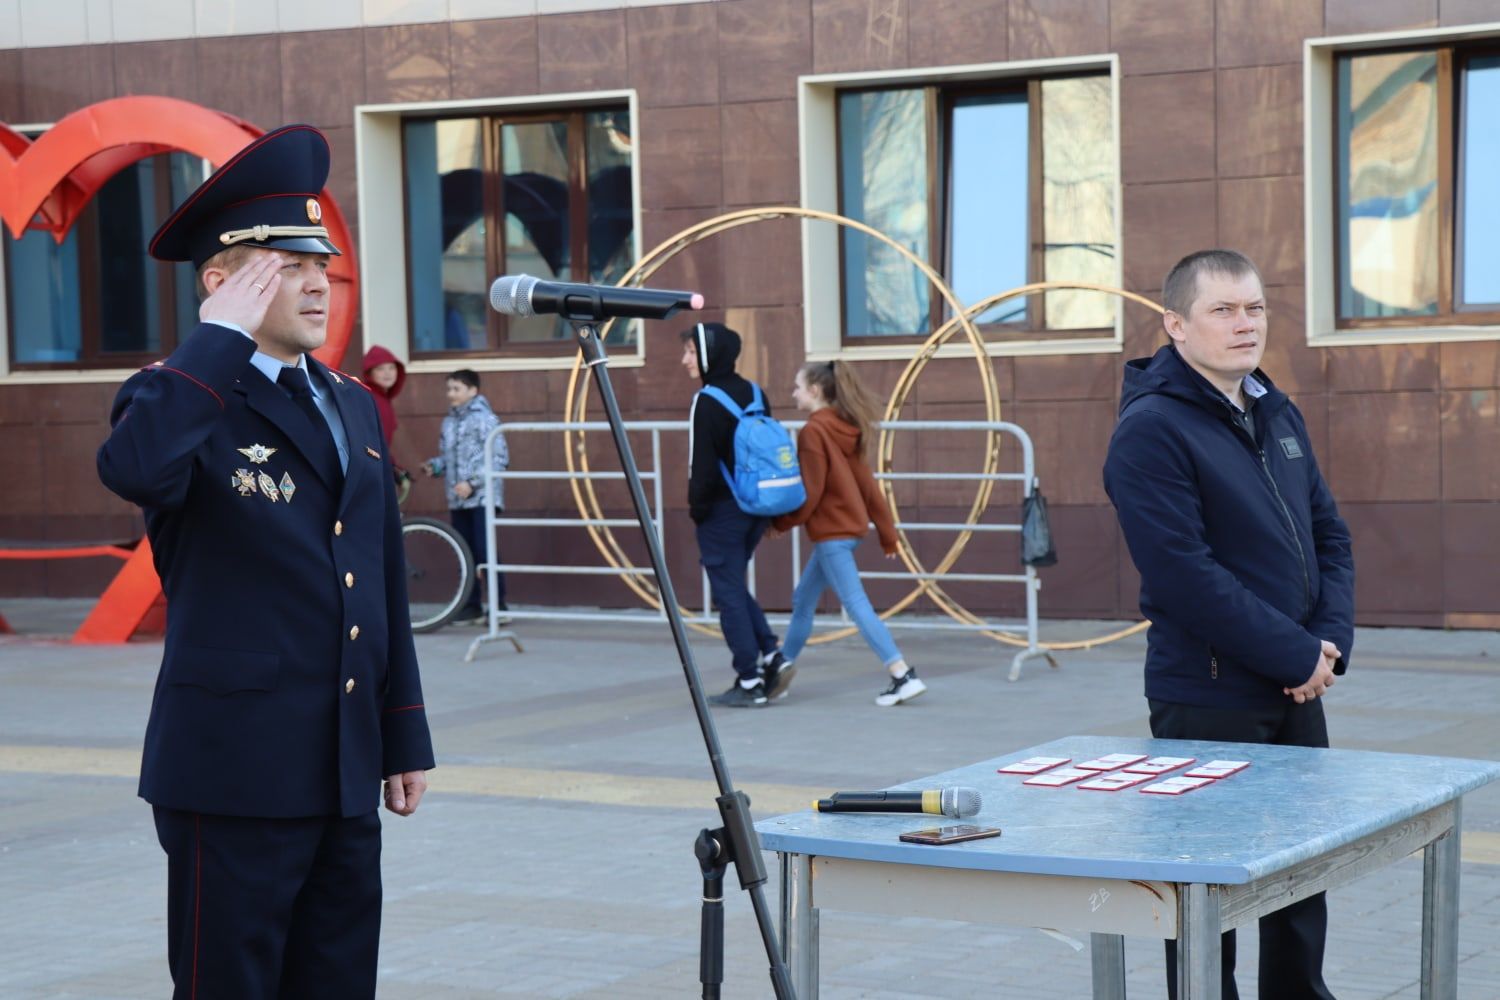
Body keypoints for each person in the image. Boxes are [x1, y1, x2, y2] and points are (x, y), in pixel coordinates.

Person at [95, 124, 435, 999]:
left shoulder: (351, 404)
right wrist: (216, 340)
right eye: (285, 265)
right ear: (223, 284)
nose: (318, 280)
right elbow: (135, 470)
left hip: (343, 767)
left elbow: (380, 580)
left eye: (318, 261)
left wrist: (403, 735)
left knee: (336, 983)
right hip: (234, 770)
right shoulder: (182, 395)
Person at [1103, 249, 1355, 1000]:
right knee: (1208, 893)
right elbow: (1184, 575)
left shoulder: (1275, 409)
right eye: (1223, 310)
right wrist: (1294, 653)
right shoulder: (1150, 431)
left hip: (1298, 684)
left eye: (1255, 307)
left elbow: (1330, 535)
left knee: (1299, 874)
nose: (1245, 324)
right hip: (1208, 695)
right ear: (1176, 325)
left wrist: (1326, 650)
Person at [771, 361, 925, 706]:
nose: (792, 393)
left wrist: (778, 524)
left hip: (832, 533)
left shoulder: (814, 432)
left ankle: (901, 673)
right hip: (847, 530)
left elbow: (810, 492)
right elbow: (869, 487)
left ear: (814, 391)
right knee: (803, 600)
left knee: (856, 605)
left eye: (797, 387)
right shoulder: (845, 428)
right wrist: (887, 533)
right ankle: (780, 668)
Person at [681, 321, 792, 707]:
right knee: (733, 584)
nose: (685, 361)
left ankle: (749, 681)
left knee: (727, 593)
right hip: (756, 507)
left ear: (710, 354)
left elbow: (702, 467)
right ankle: (771, 655)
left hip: (722, 513)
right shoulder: (755, 393)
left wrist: (697, 512)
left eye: (692, 352)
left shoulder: (706, 399)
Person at [423, 368, 508, 625]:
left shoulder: (486, 420)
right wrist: (436, 466)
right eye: (449, 389)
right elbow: (450, 458)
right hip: (457, 499)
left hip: (483, 498)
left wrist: (472, 483)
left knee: (485, 551)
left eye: (456, 388)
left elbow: (499, 458)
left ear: (473, 390)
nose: (451, 394)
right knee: (465, 552)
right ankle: (471, 606)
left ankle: (498, 606)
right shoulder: (449, 422)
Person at [362, 344, 410, 493]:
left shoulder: (381, 398)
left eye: (391, 368)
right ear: (370, 373)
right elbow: (373, 442)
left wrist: (393, 466)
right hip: (370, 473)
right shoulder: (372, 398)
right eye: (380, 368)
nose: (387, 373)